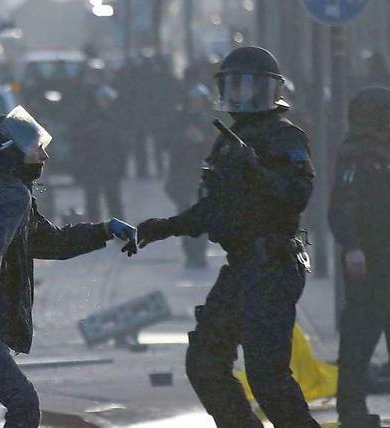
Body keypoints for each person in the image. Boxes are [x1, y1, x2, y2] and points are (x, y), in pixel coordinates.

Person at [136, 46, 321, 428]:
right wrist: (162, 227)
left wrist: (258, 170)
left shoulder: (285, 137)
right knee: (205, 362)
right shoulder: (228, 140)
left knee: (267, 376)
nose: (239, 95)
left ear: (268, 90)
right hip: (241, 268)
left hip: (273, 265)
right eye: (232, 86)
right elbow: (212, 209)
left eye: (248, 86)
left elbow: (297, 196)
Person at [0, 106, 138, 427]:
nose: (43, 156)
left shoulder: (2, 190)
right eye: (35, 149)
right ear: (14, 152)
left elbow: (52, 242)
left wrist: (104, 230)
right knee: (24, 404)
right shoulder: (10, 196)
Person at [329, 86, 390, 428]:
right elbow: (343, 206)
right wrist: (352, 246)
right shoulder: (357, 155)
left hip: (383, 257)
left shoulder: (381, 153)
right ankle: (351, 412)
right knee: (358, 340)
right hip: (368, 260)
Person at [162, 83, 215, 269]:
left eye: (199, 101)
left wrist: (202, 141)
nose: (196, 105)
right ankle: (190, 253)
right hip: (183, 175)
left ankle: (200, 253)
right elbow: (166, 144)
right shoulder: (179, 120)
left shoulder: (212, 122)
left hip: (203, 176)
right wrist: (183, 138)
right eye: (193, 101)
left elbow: (218, 147)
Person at [69, 84, 126, 221]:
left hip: (110, 165)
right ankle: (95, 231)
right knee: (92, 200)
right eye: (102, 100)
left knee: (113, 199)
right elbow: (78, 143)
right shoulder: (86, 117)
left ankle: (118, 229)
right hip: (91, 165)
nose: (104, 103)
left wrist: (121, 166)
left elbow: (121, 145)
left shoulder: (115, 116)